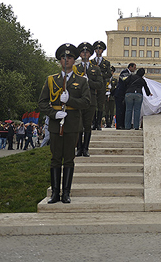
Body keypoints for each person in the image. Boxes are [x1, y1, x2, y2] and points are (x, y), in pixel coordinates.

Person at [38, 43, 90, 204]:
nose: (66, 60)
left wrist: (71, 100)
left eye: (69, 57)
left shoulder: (81, 81)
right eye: (63, 57)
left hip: (72, 124)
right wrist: (54, 114)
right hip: (55, 124)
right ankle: (55, 193)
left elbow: (86, 102)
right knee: (55, 159)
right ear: (60, 60)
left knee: (68, 159)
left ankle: (66, 193)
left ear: (74, 60)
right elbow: (42, 102)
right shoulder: (51, 80)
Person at [73, 42, 104, 157]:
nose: (85, 54)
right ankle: (79, 148)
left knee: (87, 125)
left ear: (90, 54)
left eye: (87, 52)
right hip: (78, 100)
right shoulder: (75, 68)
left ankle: (86, 148)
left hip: (90, 100)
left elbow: (100, 85)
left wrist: (88, 82)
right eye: (82, 52)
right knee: (78, 125)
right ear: (80, 54)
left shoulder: (95, 69)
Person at [92, 41, 112, 130]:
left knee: (100, 105)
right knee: (92, 104)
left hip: (101, 85)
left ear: (102, 50)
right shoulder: (91, 62)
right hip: (92, 85)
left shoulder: (106, 63)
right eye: (96, 49)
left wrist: (99, 75)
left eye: (100, 49)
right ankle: (93, 123)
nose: (98, 50)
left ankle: (98, 123)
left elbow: (109, 74)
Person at [114, 63, 135, 129]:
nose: (135, 69)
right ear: (130, 67)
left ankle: (123, 124)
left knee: (124, 110)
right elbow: (125, 80)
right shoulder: (124, 72)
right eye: (134, 67)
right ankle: (119, 125)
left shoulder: (130, 74)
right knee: (119, 110)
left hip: (124, 94)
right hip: (120, 94)